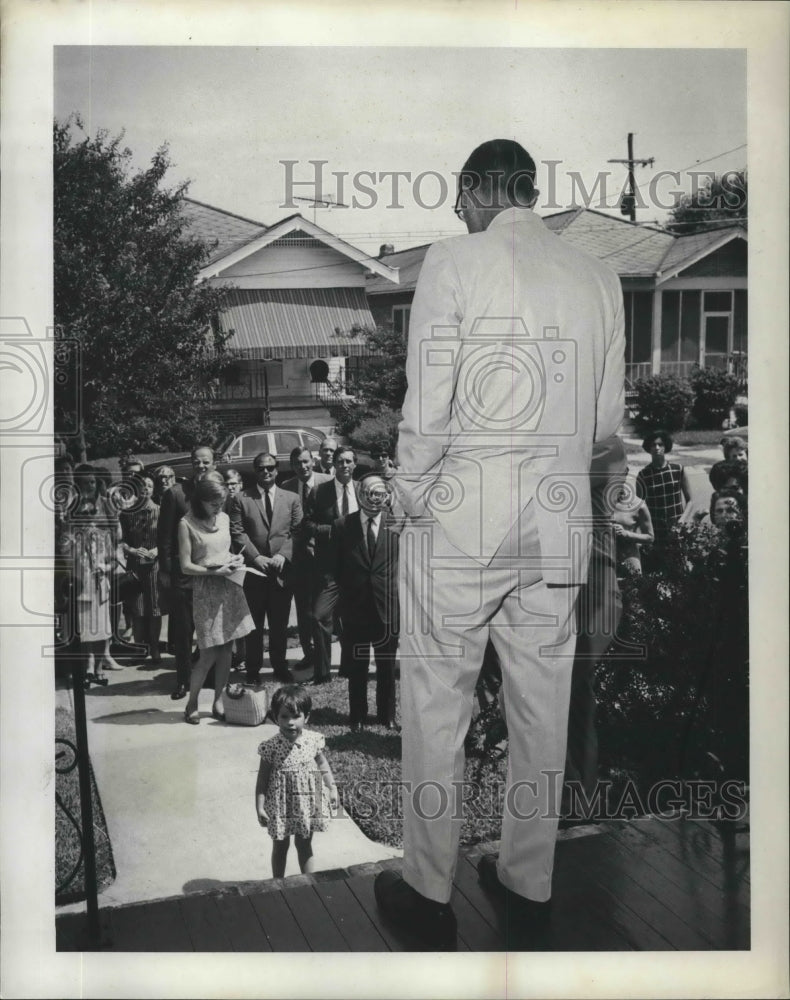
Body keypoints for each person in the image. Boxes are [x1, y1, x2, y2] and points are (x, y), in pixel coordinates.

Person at [374, 138, 625, 950]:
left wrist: (407, 496)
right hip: (556, 517)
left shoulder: (452, 262)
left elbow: (429, 402)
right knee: (542, 708)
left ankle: (425, 889)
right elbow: (603, 427)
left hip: (463, 517)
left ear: (480, 188)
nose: (455, 213)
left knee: (435, 704)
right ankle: (528, 880)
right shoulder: (599, 276)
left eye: (459, 197)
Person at [178, 475, 254, 724]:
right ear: (201, 501)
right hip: (206, 592)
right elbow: (186, 566)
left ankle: (218, 701)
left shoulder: (223, 518)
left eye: (222, 503)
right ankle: (191, 703)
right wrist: (214, 570)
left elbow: (224, 550)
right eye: (215, 503)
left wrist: (235, 559)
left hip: (230, 587)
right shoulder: (186, 524)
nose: (220, 508)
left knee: (226, 651)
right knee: (208, 652)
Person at [331, 473, 400, 732]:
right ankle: (357, 716)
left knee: (386, 666)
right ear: (360, 495)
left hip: (387, 608)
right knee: (358, 666)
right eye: (370, 493)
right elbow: (333, 569)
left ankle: (387, 715)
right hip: (355, 609)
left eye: (380, 494)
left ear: (386, 497)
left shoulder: (397, 525)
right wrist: (337, 607)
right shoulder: (341, 526)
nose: (375, 498)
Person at [229, 453, 303, 684]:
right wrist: (256, 558)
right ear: (255, 471)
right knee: (255, 626)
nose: (266, 472)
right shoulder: (242, 499)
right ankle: (253, 670)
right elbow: (238, 532)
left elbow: (298, 530)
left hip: (282, 572)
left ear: (277, 470)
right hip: (255, 573)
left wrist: (284, 554)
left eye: (270, 468)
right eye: (261, 469)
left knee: (279, 625)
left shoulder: (291, 498)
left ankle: (280, 667)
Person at [255, 684, 338, 877]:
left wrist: (332, 788)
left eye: (296, 716)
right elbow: (262, 780)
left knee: (304, 843)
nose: (290, 722)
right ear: (276, 717)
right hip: (280, 806)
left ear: (306, 717)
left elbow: (323, 765)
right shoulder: (271, 747)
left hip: (306, 804)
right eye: (284, 716)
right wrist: (259, 807)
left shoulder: (313, 740)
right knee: (280, 846)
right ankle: (278, 883)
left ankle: (308, 881)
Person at [158, 444, 216, 700]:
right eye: (197, 462)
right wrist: (166, 571)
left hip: (213, 573)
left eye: (206, 462)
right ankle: (182, 680)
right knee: (183, 632)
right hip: (184, 576)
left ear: (214, 463)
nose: (201, 466)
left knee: (211, 630)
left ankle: (211, 676)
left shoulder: (218, 490)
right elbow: (165, 538)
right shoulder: (176, 494)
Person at [303, 446, 361, 684]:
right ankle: (323, 672)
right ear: (333, 465)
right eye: (340, 461)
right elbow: (306, 524)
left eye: (348, 461)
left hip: (357, 567)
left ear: (355, 464)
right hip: (329, 569)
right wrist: (331, 530)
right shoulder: (319, 491)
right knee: (319, 616)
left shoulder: (362, 490)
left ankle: (349, 668)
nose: (344, 466)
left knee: (353, 620)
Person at [65, 464, 125, 683]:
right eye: (84, 483)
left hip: (100, 580)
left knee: (102, 626)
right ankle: (88, 667)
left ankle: (99, 666)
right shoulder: (73, 510)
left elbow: (114, 542)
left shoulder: (105, 508)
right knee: (84, 626)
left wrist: (106, 566)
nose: (89, 486)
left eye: (92, 482)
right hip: (81, 581)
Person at [281, 447, 333, 671]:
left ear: (313, 461)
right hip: (299, 558)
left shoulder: (328, 482)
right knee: (303, 608)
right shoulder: (286, 488)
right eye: (297, 463)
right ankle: (308, 652)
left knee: (326, 610)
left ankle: (327, 656)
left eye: (305, 461)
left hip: (327, 557)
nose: (302, 467)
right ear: (292, 466)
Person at [119, 473, 164, 662]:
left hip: (154, 566)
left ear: (154, 490)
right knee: (137, 609)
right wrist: (133, 550)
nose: (146, 489)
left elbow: (168, 539)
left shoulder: (161, 511)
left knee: (154, 608)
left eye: (150, 486)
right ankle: (140, 648)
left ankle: (154, 648)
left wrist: (156, 550)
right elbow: (121, 541)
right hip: (135, 567)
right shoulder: (127, 514)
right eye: (142, 486)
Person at [635, 429, 690, 569]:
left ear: (666, 447)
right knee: (658, 568)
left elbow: (691, 500)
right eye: (653, 445)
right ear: (649, 448)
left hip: (677, 527)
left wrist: (683, 520)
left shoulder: (678, 469)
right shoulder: (643, 475)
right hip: (656, 530)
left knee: (680, 566)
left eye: (660, 444)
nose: (657, 448)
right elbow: (639, 507)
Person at [611, 480, 654, 576]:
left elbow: (650, 537)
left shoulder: (638, 505)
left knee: (632, 589)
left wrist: (626, 534)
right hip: (607, 560)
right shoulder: (603, 502)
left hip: (629, 558)